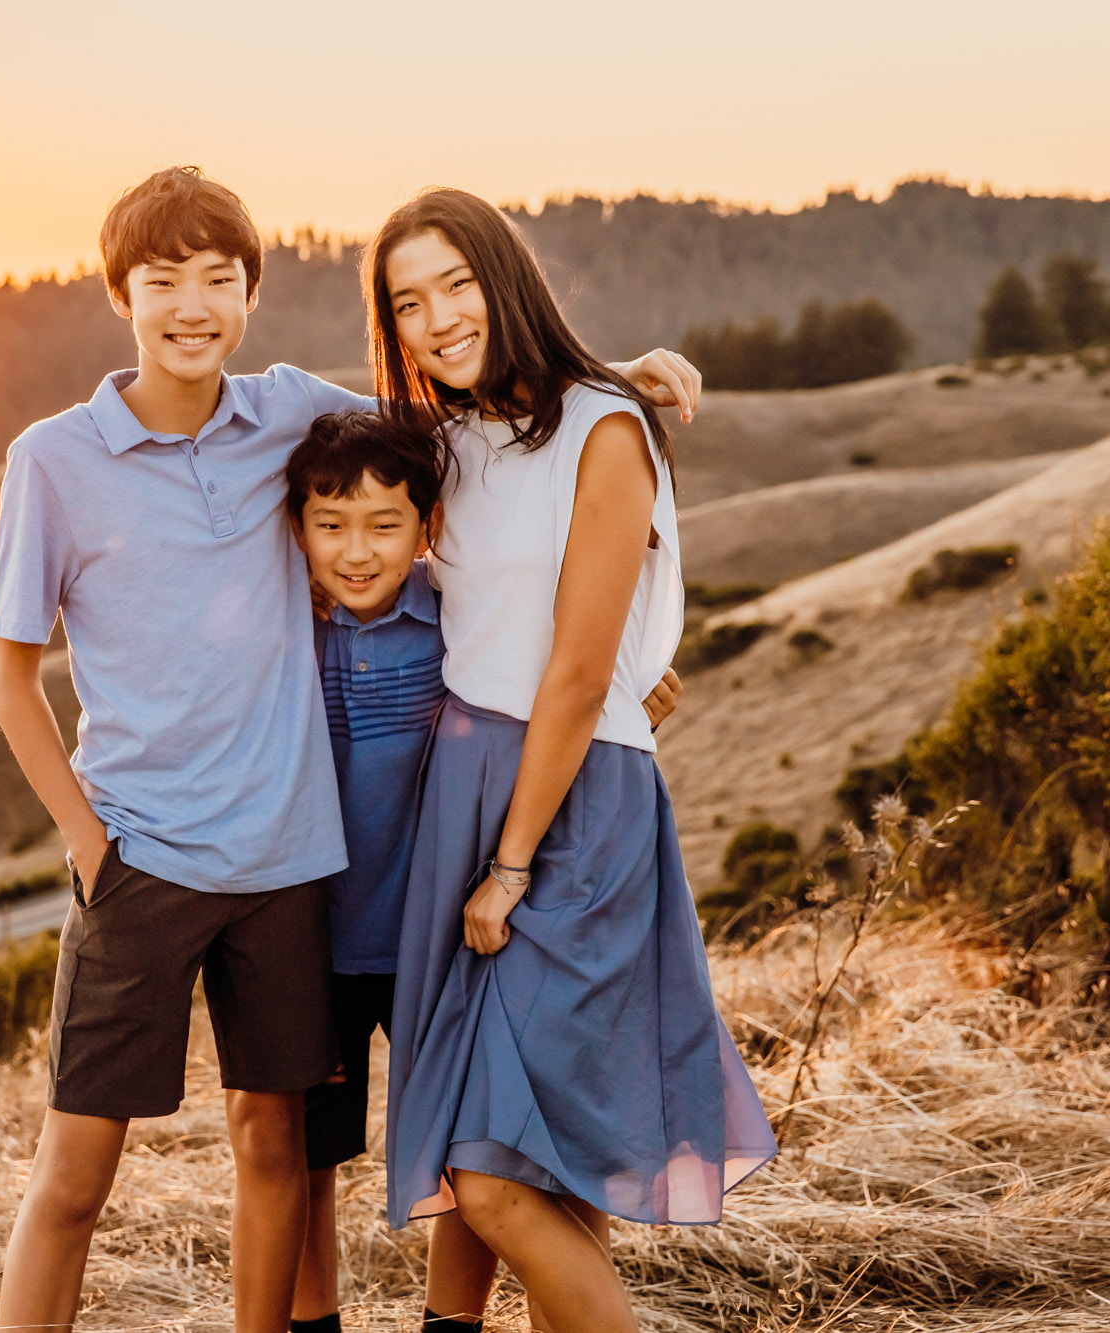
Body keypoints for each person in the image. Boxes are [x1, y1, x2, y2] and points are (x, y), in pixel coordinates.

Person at [0, 165, 701, 1333]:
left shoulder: (281, 410)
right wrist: (86, 840)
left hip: (291, 869)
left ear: (253, 291)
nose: (192, 307)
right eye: (162, 282)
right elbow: (8, 671)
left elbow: (468, 424)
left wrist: (624, 377)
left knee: (319, 1140)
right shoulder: (53, 459)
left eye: (220, 279)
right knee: (79, 1169)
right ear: (118, 293)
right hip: (145, 861)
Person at [370, 188, 779, 1333]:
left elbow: (575, 671)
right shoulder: (447, 442)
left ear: (505, 277)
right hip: (464, 785)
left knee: (498, 1175)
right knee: (522, 1143)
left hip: (571, 810)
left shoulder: (604, 427)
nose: (437, 318)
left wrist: (506, 867)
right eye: (408, 303)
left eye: (455, 282)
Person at [282, 411, 680, 1333]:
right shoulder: (281, 624)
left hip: (445, 928)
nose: (356, 551)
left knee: (475, 1143)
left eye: (387, 525)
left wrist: (637, 683)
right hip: (312, 935)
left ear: (429, 528)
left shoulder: (457, 614)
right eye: (329, 524)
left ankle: (449, 1322)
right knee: (310, 1150)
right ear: (296, 526)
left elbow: (566, 662)